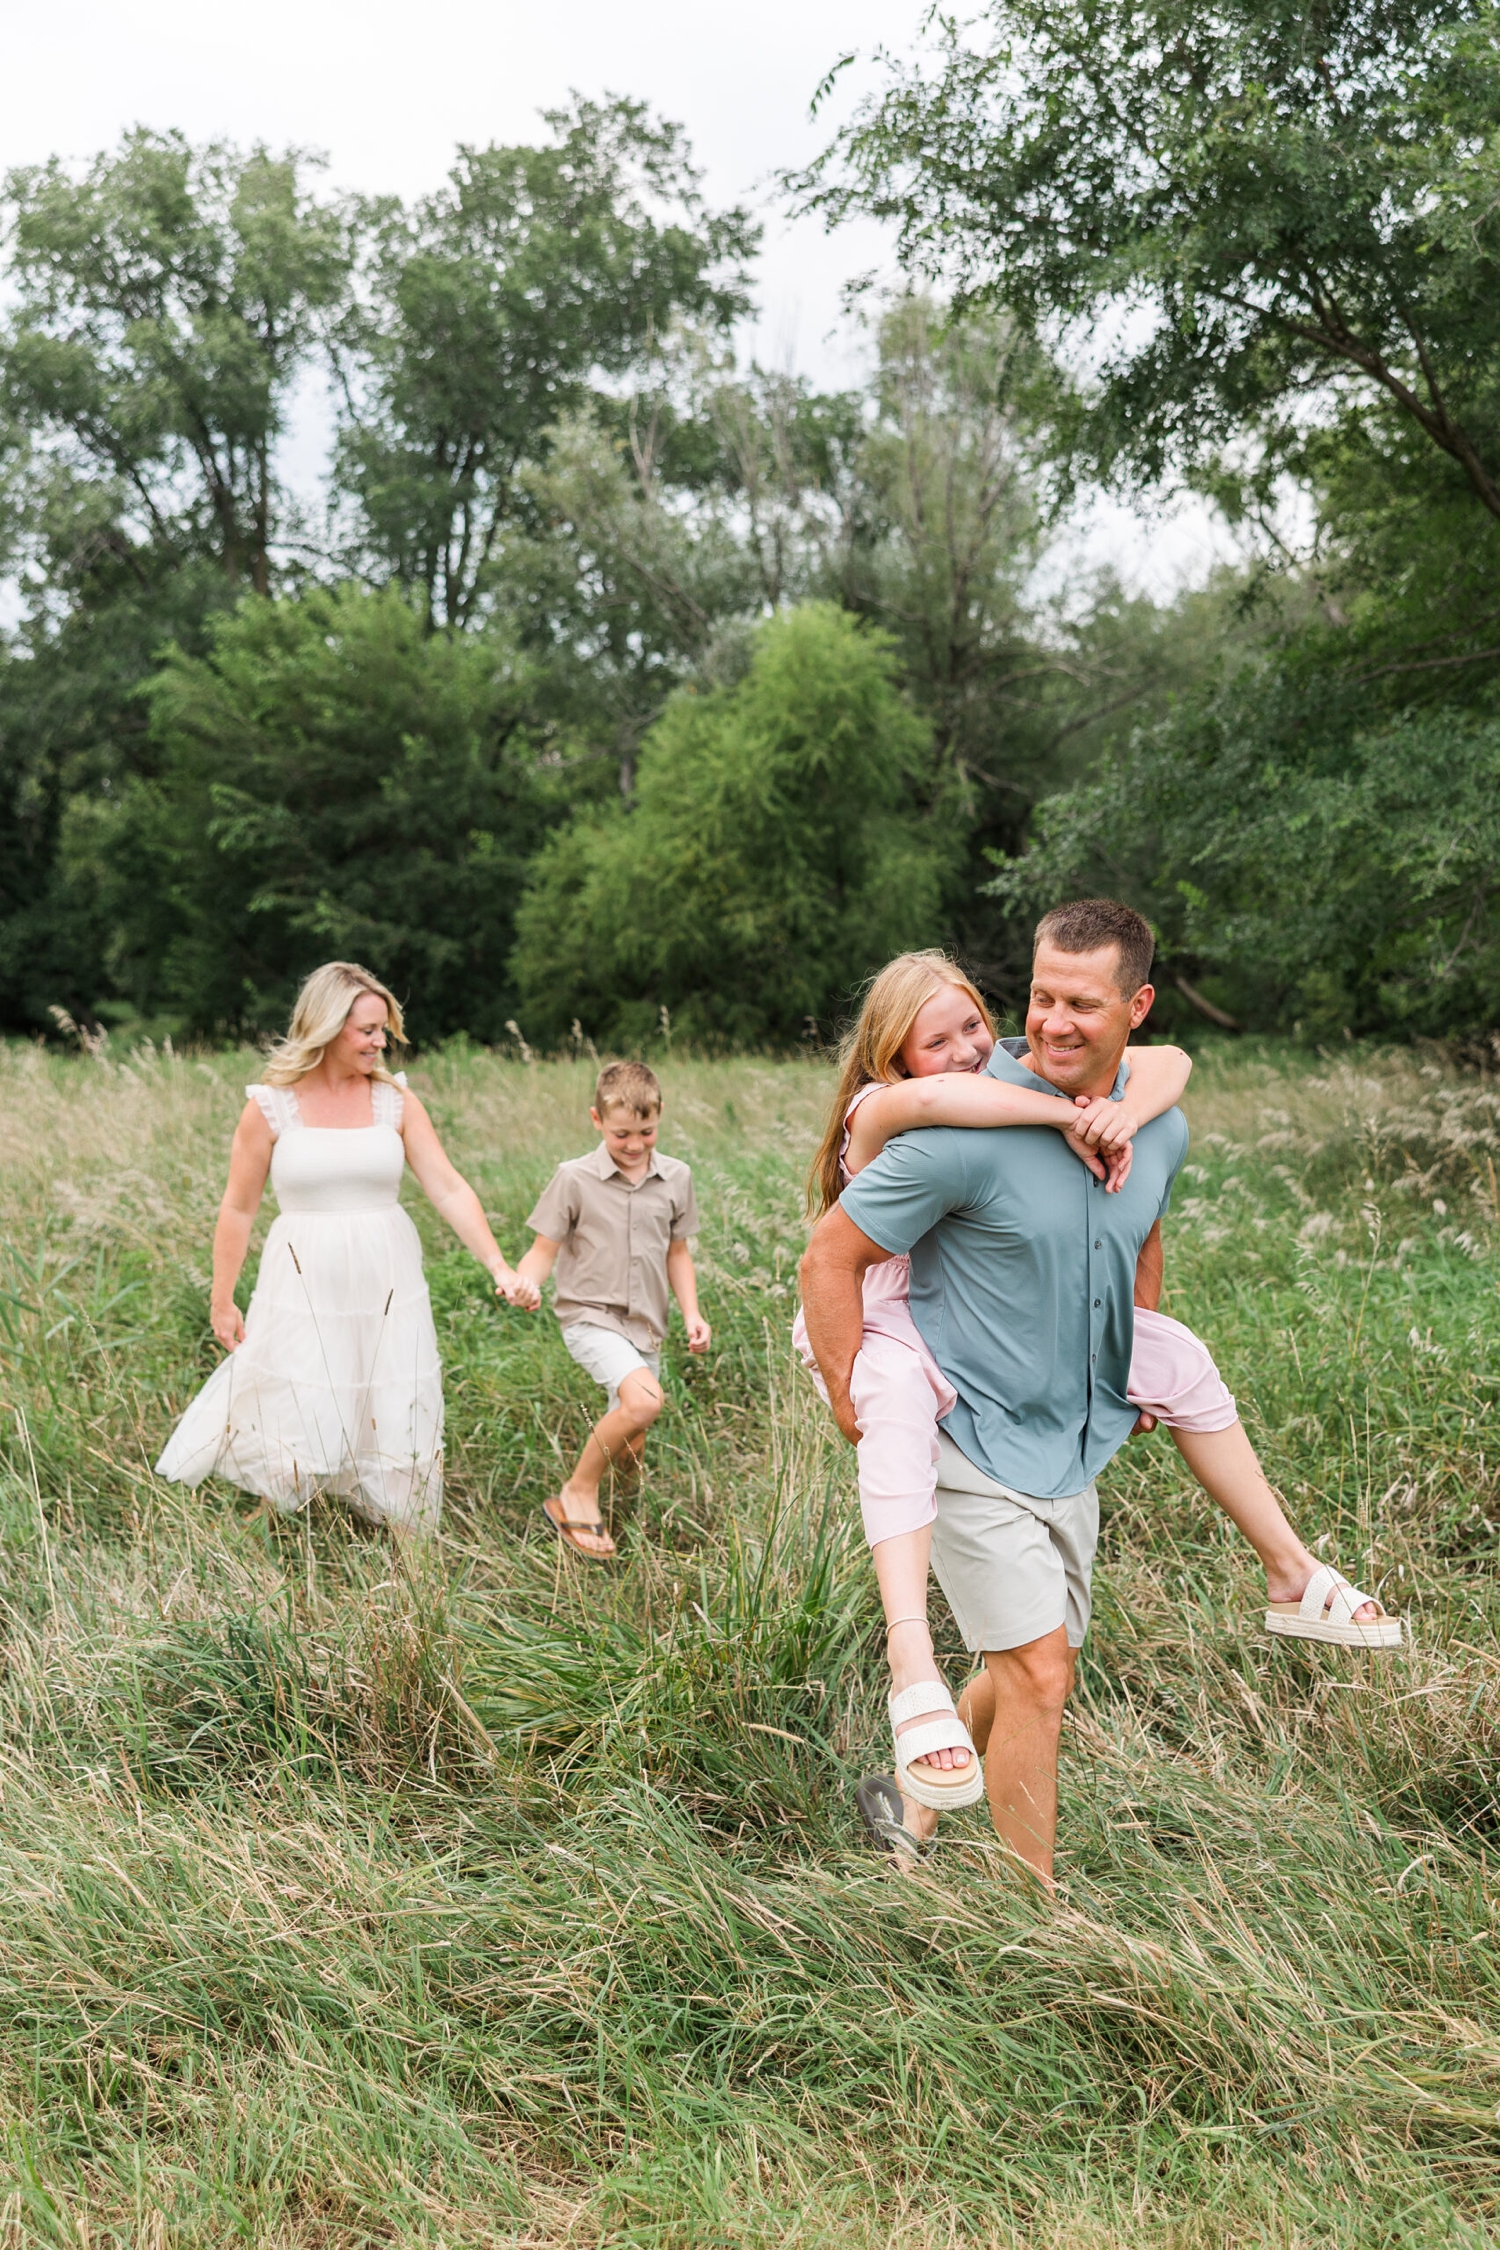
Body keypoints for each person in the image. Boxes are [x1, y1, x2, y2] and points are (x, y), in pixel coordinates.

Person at [799, 903, 1400, 1883]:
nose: (1052, 1022)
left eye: (1082, 1003)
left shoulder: (1155, 1126)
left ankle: (906, 1815)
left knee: (1028, 1662)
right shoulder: (950, 1126)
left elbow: (1140, 1226)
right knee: (1040, 1672)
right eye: (1042, 998)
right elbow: (828, 1258)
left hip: (1067, 1440)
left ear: (1137, 1006)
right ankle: (1030, 1920)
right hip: (962, 1428)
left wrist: (1132, 1348)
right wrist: (848, 1398)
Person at [157, 961, 537, 1539]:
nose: (381, 1041)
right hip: (302, 1279)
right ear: (328, 1027)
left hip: (387, 1277)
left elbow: (448, 1187)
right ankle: (275, 1514)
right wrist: (222, 1297)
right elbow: (238, 1208)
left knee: (390, 1389)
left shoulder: (394, 1102)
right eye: (368, 1030)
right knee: (301, 1386)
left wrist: (499, 1265)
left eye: (384, 1029)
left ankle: (408, 1534)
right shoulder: (271, 1106)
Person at [513, 1060, 709, 1559]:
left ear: (660, 1115)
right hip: (590, 1317)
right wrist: (526, 1283)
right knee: (644, 1402)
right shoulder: (574, 1178)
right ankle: (576, 1493)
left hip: (647, 1327)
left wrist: (692, 1313)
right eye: (622, 1134)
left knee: (632, 1440)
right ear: (597, 1119)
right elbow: (542, 1250)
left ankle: (625, 1517)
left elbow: (678, 1254)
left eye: (647, 1131)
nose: (635, 1144)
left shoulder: (677, 1177)